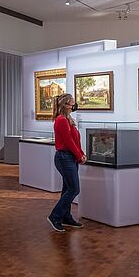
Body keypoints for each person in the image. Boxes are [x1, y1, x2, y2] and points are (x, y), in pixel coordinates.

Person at [47, 93, 86, 232]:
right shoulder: (61, 120)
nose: (74, 105)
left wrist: (81, 154)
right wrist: (78, 155)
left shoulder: (67, 119)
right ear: (65, 104)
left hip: (70, 157)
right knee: (74, 189)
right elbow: (68, 142)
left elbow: (75, 140)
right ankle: (55, 216)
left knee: (67, 189)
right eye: (72, 103)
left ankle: (66, 217)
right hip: (64, 158)